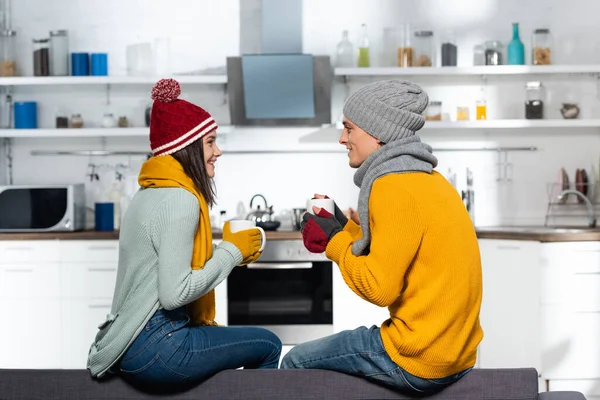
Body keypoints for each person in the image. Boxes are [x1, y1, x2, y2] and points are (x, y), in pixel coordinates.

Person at [281, 80, 483, 395]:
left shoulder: (391, 186)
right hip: (457, 354)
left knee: (293, 361)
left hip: (418, 357)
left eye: (349, 129)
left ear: (377, 133)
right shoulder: (431, 180)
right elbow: (396, 245)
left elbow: (379, 289)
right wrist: (343, 227)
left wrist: (335, 243)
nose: (341, 138)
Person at [87, 78, 282, 388]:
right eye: (210, 142)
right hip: (159, 347)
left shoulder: (149, 191)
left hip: (131, 341)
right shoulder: (181, 199)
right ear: (187, 148)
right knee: (269, 345)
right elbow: (175, 293)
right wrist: (229, 252)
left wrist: (229, 250)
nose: (217, 151)